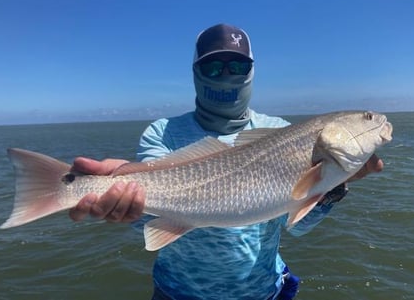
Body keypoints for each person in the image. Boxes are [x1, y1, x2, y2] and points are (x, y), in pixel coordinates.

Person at [69, 24, 384, 299]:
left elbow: (298, 227)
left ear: (252, 72)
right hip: (177, 293)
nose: (227, 76)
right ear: (195, 73)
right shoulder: (163, 133)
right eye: (213, 68)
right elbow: (147, 213)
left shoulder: (279, 131)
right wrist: (120, 195)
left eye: (237, 66)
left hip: (263, 293)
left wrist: (332, 186)